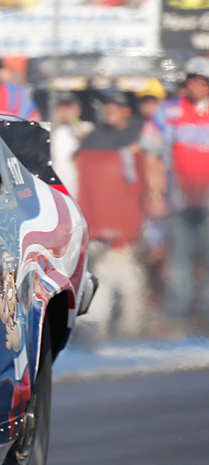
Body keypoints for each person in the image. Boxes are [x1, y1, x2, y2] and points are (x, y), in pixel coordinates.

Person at [73, 93, 165, 338]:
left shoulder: (141, 137)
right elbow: (84, 181)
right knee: (106, 277)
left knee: (128, 280)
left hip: (131, 221)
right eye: (108, 106)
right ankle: (104, 329)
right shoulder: (93, 139)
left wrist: (152, 207)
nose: (111, 110)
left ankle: (128, 330)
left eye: (117, 106)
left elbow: (151, 174)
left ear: (127, 110)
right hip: (99, 223)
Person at [153, 64, 209, 325]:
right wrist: (154, 192)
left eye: (203, 80)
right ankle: (178, 312)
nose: (197, 85)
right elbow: (152, 152)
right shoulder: (170, 110)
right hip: (179, 200)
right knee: (179, 258)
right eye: (192, 79)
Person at [48, 92, 89, 199]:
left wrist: (73, 120)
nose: (65, 111)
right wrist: (56, 121)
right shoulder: (54, 130)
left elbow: (89, 141)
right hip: (57, 185)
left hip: (77, 187)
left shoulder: (85, 127)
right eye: (62, 107)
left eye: (68, 107)